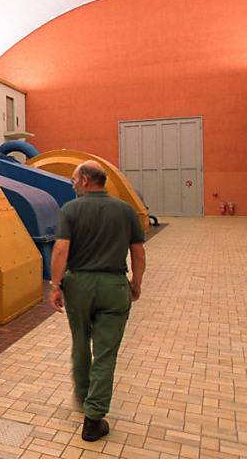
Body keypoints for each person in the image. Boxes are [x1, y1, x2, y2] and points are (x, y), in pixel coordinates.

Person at [48, 160, 146, 442]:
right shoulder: (125, 210)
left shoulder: (71, 209)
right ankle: (94, 418)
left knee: (81, 341)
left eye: (74, 180)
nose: (73, 184)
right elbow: (138, 254)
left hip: (79, 285)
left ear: (87, 181)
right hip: (114, 285)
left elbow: (60, 251)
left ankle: (82, 394)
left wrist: (56, 286)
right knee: (105, 353)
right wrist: (135, 285)